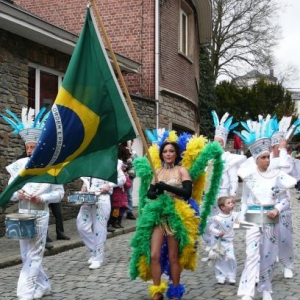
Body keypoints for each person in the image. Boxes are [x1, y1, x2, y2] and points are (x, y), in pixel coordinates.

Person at [2, 107, 65, 300]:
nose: (30, 151)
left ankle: (25, 293)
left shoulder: (51, 168)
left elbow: (59, 193)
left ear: (40, 147)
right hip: (22, 214)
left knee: (35, 254)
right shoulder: (19, 167)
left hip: (40, 214)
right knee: (25, 255)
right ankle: (44, 284)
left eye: (33, 147)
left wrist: (43, 198)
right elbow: (9, 193)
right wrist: (18, 194)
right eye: (28, 147)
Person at [235, 116, 297, 300]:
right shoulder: (249, 178)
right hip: (253, 218)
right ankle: (247, 291)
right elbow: (245, 200)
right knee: (251, 253)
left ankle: (266, 289)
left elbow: (283, 199)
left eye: (267, 157)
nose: (267, 161)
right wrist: (241, 218)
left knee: (268, 254)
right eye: (263, 158)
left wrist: (277, 209)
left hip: (271, 219)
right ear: (255, 159)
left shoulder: (276, 176)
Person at [203, 111, 246, 247]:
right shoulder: (208, 159)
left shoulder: (228, 159)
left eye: (220, 142)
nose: (217, 144)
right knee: (208, 222)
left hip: (223, 195)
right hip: (209, 197)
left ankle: (223, 245)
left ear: (223, 143)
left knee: (223, 221)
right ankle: (212, 244)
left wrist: (232, 195)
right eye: (215, 142)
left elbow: (233, 179)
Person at [76, 176, 115, 269]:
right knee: (81, 225)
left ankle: (98, 258)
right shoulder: (89, 164)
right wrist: (84, 186)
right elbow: (87, 179)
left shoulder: (110, 162)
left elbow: (121, 178)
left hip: (102, 198)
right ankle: (94, 251)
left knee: (99, 228)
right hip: (88, 198)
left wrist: (109, 184)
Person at [206, 196, 238, 285]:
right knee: (220, 259)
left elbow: (239, 222)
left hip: (229, 242)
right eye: (229, 203)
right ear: (222, 207)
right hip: (219, 243)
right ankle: (221, 276)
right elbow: (210, 228)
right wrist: (217, 232)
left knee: (231, 257)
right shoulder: (217, 218)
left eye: (232, 202)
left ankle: (231, 276)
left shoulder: (234, 215)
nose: (232, 204)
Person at [125, 139, 138, 220]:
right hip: (121, 175)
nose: (129, 143)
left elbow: (137, 164)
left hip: (129, 176)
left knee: (129, 193)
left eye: (131, 141)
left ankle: (129, 211)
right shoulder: (121, 150)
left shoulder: (134, 153)